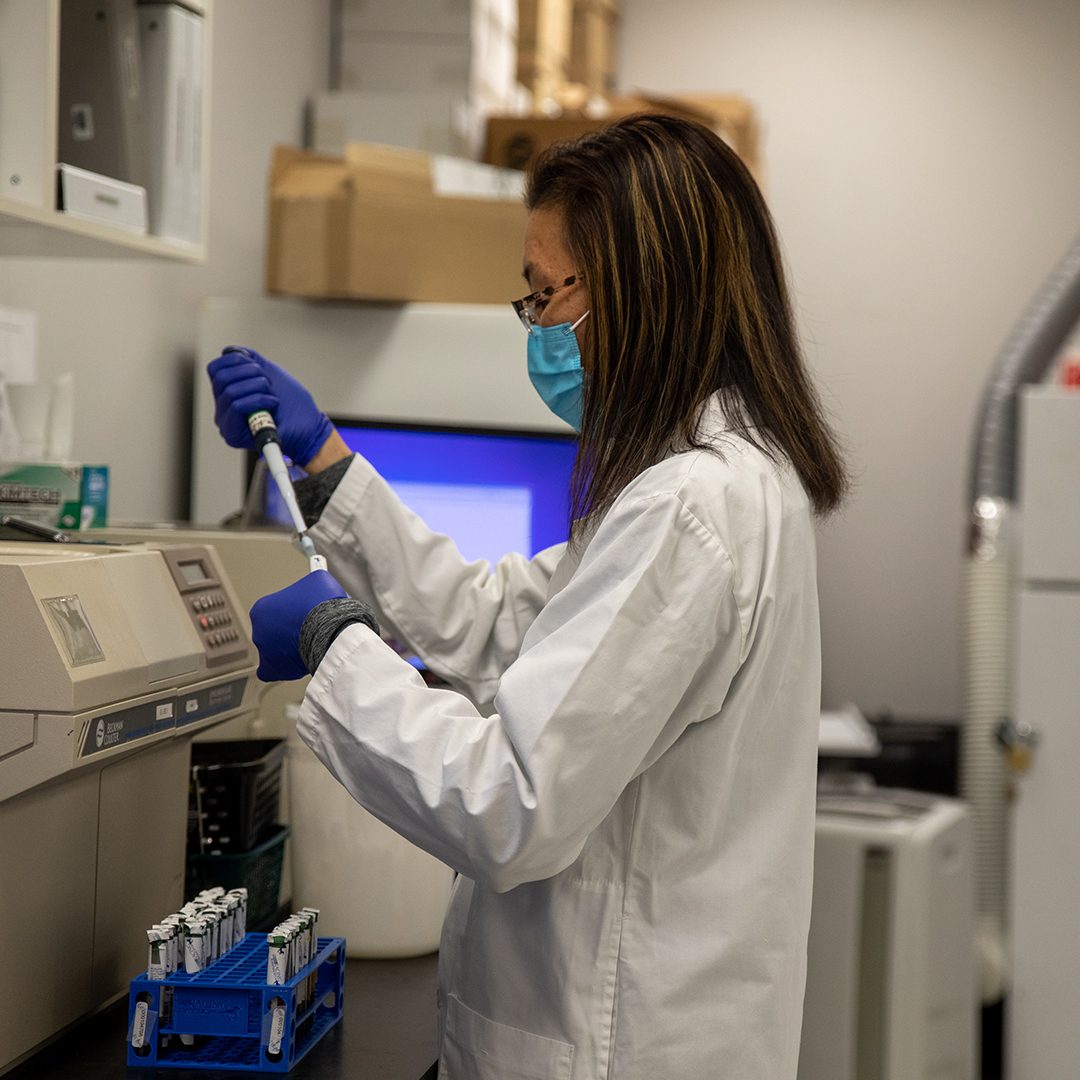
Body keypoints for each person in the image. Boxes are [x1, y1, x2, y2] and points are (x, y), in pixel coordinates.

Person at [208, 114, 847, 1080]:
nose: (540, 324)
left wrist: (335, 642)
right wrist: (327, 462)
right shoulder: (715, 475)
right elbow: (504, 620)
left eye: (553, 293)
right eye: (532, 294)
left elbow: (510, 807)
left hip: (615, 1043)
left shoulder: (691, 505)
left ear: (647, 287)